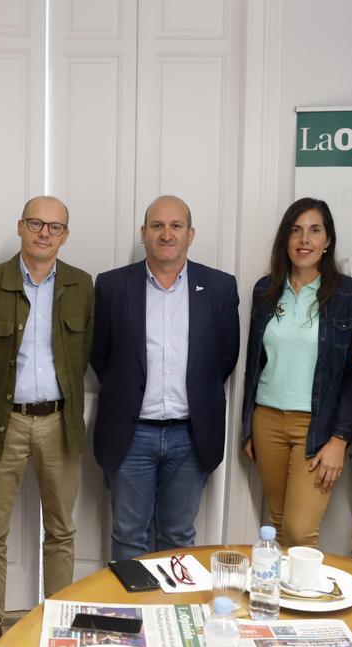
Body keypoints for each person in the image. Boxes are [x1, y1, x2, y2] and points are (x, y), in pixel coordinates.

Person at [0, 196, 94, 644]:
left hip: (60, 422)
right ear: (20, 227)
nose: (45, 233)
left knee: (61, 529)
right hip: (6, 422)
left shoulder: (81, 284)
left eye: (55, 227)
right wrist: (3, 402)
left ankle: (59, 617)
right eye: (36, 223)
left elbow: (85, 354)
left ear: (65, 235)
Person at [91, 195, 239, 560]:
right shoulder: (112, 286)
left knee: (178, 535)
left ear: (191, 234)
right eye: (157, 225)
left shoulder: (219, 287)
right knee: (128, 535)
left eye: (176, 226)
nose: (166, 234)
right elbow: (99, 353)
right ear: (143, 233)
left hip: (190, 435)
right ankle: (133, 614)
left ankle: (170, 613)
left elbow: (225, 356)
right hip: (131, 432)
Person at [240, 198, 352, 549]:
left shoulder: (349, 294)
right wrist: (249, 425)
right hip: (267, 421)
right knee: (277, 526)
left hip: (318, 427)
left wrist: (340, 439)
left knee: (299, 531)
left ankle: (305, 602)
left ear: (328, 241)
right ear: (285, 239)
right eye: (296, 231)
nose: (304, 240)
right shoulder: (266, 290)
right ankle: (279, 603)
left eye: (314, 231)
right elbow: (255, 361)